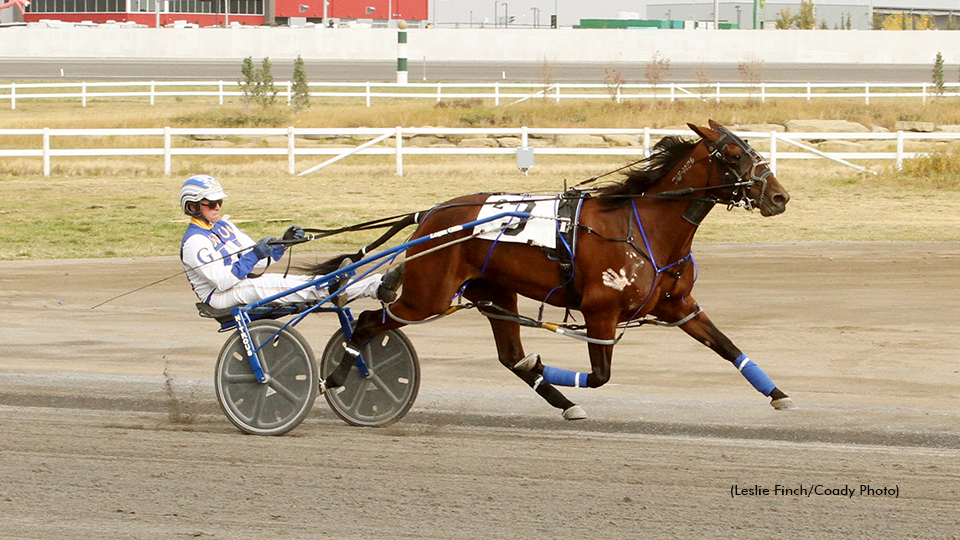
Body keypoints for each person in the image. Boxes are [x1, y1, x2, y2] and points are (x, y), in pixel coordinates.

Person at [179, 174, 399, 310]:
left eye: (220, 201)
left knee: (299, 282)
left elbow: (255, 261)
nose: (218, 207)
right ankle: (367, 287)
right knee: (290, 286)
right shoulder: (194, 242)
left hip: (239, 284)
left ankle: (374, 285)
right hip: (219, 296)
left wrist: (283, 244)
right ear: (192, 207)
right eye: (211, 203)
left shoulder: (226, 226)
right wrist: (255, 254)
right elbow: (222, 281)